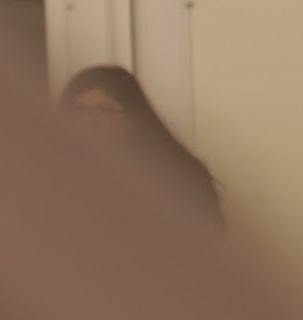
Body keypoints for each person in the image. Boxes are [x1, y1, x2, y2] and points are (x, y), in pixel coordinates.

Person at [58, 65, 224, 233]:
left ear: (132, 119)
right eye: (79, 110)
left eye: (103, 110)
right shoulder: (60, 170)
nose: (89, 121)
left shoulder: (172, 174)